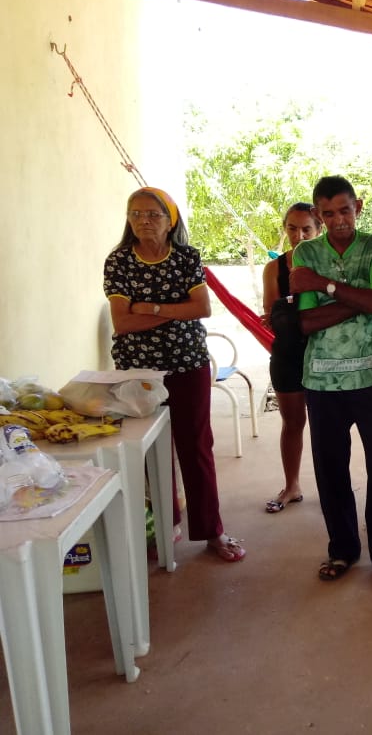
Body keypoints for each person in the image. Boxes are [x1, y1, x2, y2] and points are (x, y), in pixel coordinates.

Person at [103, 186, 245, 562]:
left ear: (170, 221)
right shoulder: (118, 261)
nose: (144, 221)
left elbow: (202, 309)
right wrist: (173, 309)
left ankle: (212, 530)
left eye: (153, 214)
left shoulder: (186, 257)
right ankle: (167, 524)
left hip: (188, 363)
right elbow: (122, 322)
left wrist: (147, 307)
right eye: (136, 214)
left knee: (196, 446)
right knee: (152, 450)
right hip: (138, 370)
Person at [289, 175, 372, 591]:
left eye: (345, 210)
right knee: (331, 469)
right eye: (328, 213)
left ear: (358, 207)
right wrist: (362, 299)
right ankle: (342, 549)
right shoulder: (306, 252)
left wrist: (325, 287)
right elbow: (307, 322)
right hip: (322, 382)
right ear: (318, 215)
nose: (338, 220)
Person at [261, 202, 322, 513]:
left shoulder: (329, 263)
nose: (299, 235)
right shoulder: (274, 269)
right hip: (288, 355)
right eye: (292, 229)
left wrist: (289, 312)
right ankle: (292, 485)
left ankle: (332, 488)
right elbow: (272, 315)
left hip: (325, 355)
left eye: (306, 229)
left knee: (327, 427)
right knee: (293, 422)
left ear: (319, 229)